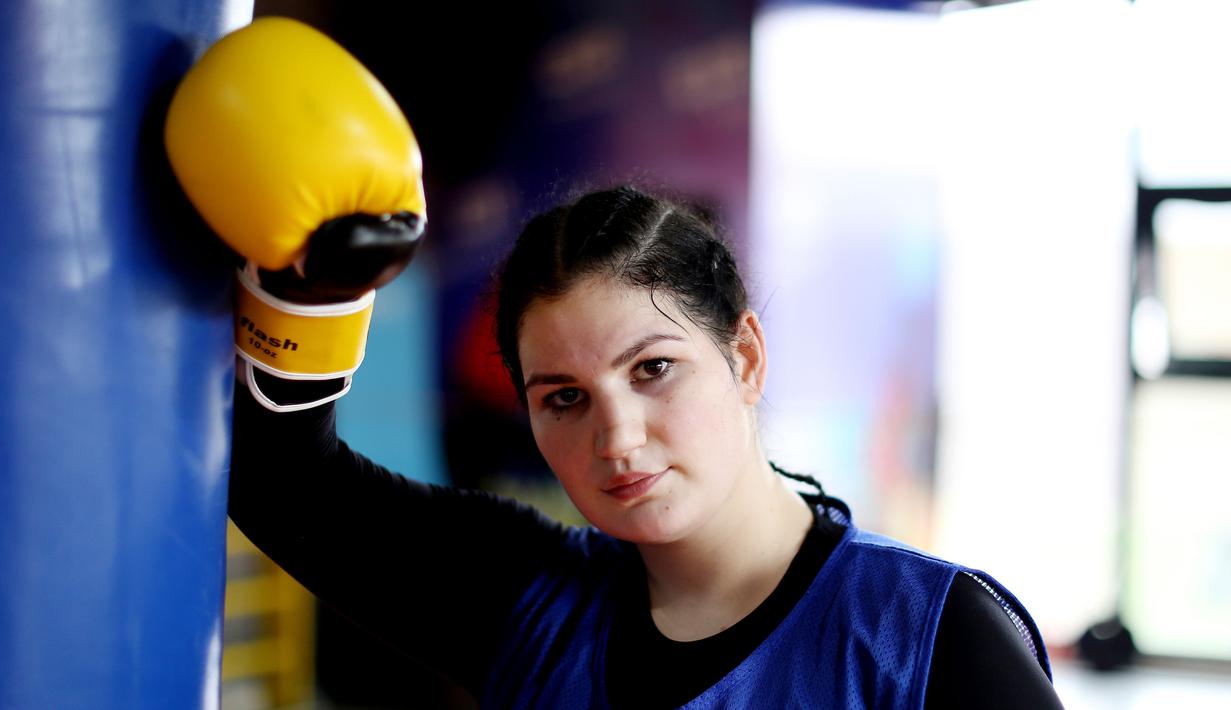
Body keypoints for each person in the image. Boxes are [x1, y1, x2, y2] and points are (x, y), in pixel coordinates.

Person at [229, 185, 1065, 709]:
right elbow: (283, 482)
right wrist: (311, 304)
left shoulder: (926, 636)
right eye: (563, 399)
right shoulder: (532, 602)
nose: (618, 437)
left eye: (654, 369)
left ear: (743, 357)